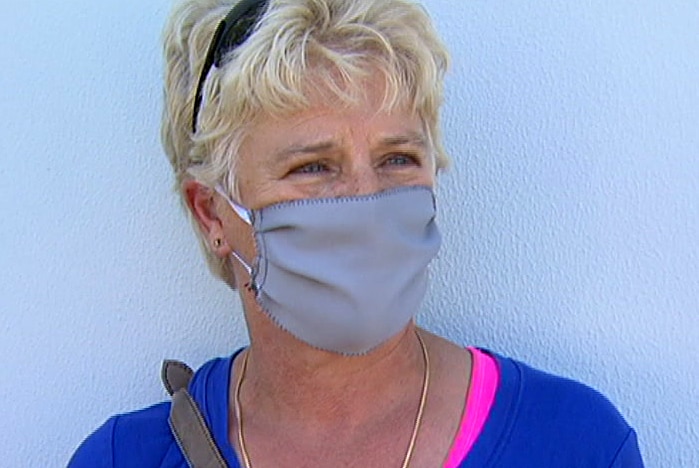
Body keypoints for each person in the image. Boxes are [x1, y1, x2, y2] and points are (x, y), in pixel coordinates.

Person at [69, 0, 644, 466]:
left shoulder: (575, 443)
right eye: (313, 167)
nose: (367, 200)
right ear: (213, 215)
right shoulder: (125, 458)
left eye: (398, 158)